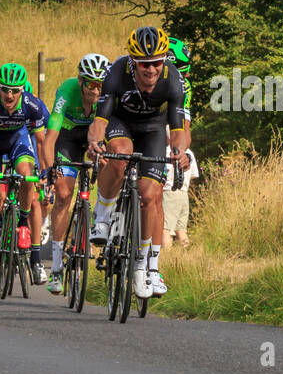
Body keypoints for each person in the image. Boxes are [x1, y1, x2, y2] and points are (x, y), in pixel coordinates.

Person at [87, 26, 189, 299]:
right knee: (118, 155)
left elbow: (179, 129)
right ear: (132, 61)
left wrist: (179, 151)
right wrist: (95, 143)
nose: (151, 70)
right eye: (144, 64)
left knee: (149, 194)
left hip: (153, 130)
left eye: (157, 62)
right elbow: (100, 119)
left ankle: (146, 265)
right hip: (120, 124)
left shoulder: (174, 79)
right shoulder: (117, 72)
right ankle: (103, 216)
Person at [0, 61, 50, 285]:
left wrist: (44, 169)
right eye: (5, 89)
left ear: (21, 90)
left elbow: (40, 142)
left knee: (27, 175)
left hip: (18, 141)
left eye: (14, 90)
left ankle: (23, 223)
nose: (9, 94)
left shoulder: (31, 104)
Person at [43, 52, 110, 294]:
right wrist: (51, 170)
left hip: (95, 138)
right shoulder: (67, 91)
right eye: (90, 84)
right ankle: (57, 267)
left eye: (100, 84)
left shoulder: (107, 95)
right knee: (63, 195)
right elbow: (50, 138)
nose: (95, 90)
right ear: (80, 81)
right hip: (68, 140)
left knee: (108, 164)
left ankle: (100, 218)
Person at [162, 140, 199, 248]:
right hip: (184, 193)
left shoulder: (168, 151)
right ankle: (186, 253)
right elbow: (194, 174)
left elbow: (166, 171)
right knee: (181, 230)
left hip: (170, 192)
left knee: (165, 229)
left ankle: (166, 256)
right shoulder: (189, 152)